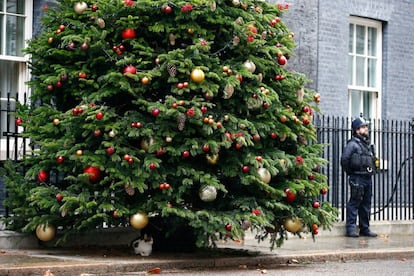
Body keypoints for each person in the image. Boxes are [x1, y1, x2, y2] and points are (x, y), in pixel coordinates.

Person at [340, 117, 377, 238]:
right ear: (357, 130)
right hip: (357, 178)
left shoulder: (367, 144)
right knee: (355, 203)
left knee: (366, 204)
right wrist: (351, 173)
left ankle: (364, 228)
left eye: (366, 127)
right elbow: (344, 160)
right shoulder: (352, 144)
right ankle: (350, 228)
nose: (366, 129)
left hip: (367, 177)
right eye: (363, 127)